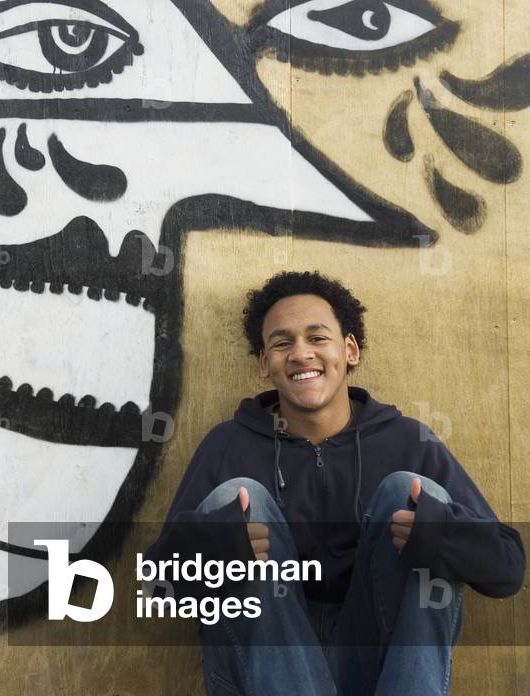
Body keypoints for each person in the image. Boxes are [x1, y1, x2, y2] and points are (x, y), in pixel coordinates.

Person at [144, 270, 526, 696]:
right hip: (272, 668)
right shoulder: (227, 445)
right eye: (282, 343)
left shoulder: (409, 441)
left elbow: (508, 571)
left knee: (416, 495)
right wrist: (210, 553)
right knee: (234, 501)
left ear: (350, 350)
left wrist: (446, 538)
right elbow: (156, 589)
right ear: (265, 363)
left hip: (378, 665)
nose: (300, 354)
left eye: (317, 338)